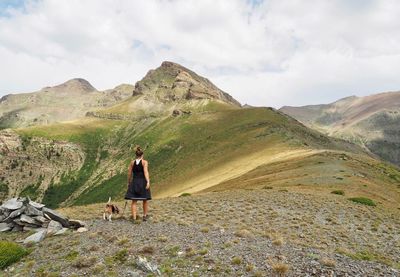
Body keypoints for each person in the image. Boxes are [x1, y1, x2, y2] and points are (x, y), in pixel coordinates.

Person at [125, 146, 151, 221]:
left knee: (134, 201)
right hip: (143, 182)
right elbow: (146, 172)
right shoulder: (144, 162)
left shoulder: (132, 163)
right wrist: (148, 181)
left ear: (136, 155)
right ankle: (145, 216)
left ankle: (134, 218)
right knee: (145, 200)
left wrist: (129, 182)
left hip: (135, 182)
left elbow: (129, 173)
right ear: (142, 155)